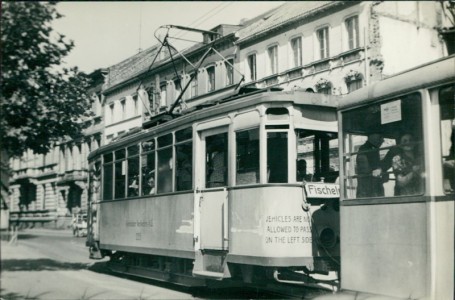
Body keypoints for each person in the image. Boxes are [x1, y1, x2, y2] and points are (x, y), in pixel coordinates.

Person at [356, 132, 386, 197]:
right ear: (372, 136)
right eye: (380, 137)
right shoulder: (364, 149)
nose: (383, 140)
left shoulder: (373, 148)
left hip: (373, 190)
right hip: (368, 191)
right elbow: (365, 171)